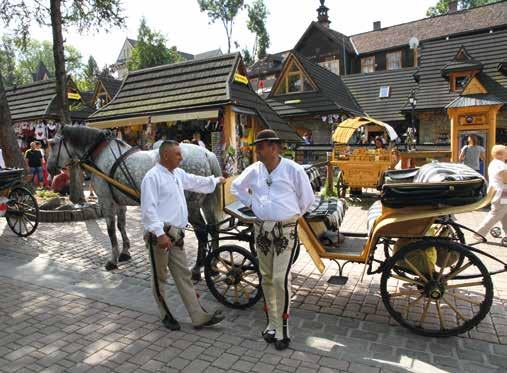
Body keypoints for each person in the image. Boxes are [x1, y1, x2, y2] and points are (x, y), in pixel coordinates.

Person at [231, 129, 314, 350]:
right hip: (261, 230)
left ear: (274, 148)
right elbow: (235, 186)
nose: (257, 150)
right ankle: (272, 323)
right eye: (257, 147)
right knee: (266, 278)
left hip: (285, 231)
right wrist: (252, 204)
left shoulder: (293, 170)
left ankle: (283, 330)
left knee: (280, 278)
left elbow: (307, 199)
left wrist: (291, 216)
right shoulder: (254, 170)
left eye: (261, 146)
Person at [141, 140, 226, 331]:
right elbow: (148, 210)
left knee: (184, 277)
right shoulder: (152, 177)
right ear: (165, 156)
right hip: (160, 236)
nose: (182, 157)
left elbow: (195, 181)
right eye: (178, 154)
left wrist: (215, 180)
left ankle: (198, 317)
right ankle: (165, 314)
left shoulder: (177, 173)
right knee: (159, 278)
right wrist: (160, 234)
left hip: (176, 236)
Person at [474, 145, 507, 240]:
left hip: (501, 191)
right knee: (496, 213)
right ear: (500, 154)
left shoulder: (497, 163)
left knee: (504, 214)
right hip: (502, 192)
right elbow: (505, 179)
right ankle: (479, 233)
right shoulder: (499, 164)